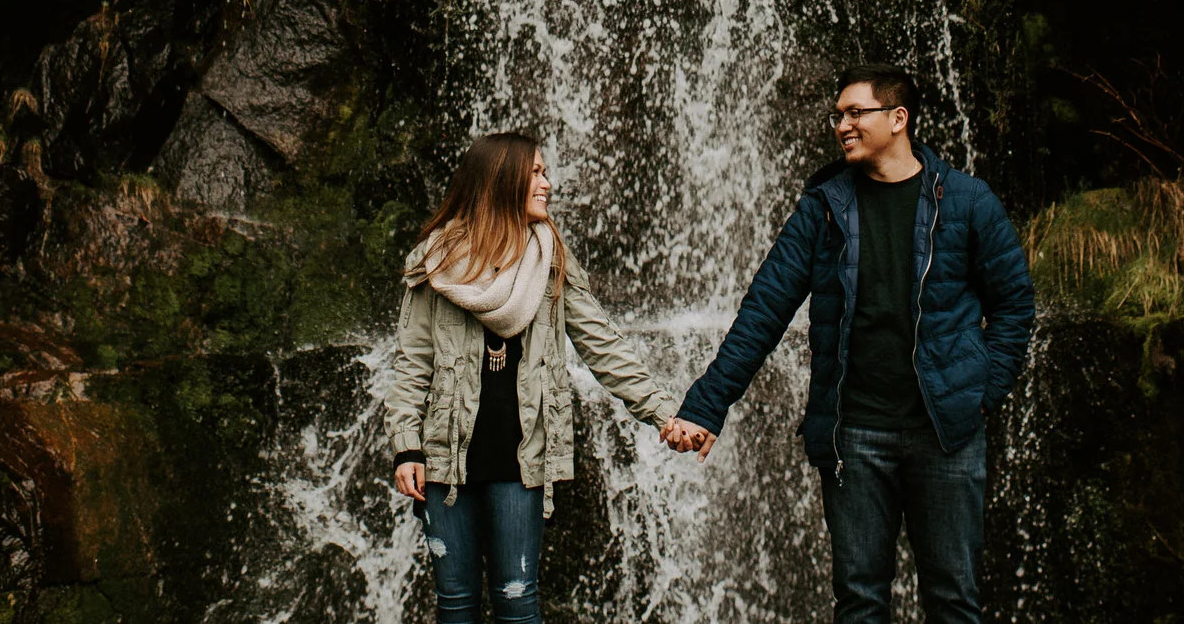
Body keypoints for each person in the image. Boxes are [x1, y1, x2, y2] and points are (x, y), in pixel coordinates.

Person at [663, 69, 1037, 624]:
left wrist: (982, 392)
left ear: (898, 119)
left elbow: (1014, 307)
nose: (842, 125)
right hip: (853, 434)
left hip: (947, 433)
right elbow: (764, 310)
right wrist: (706, 404)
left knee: (955, 601)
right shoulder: (823, 207)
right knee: (860, 602)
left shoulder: (966, 201)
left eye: (855, 113)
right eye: (838, 115)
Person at [386, 131, 702, 623]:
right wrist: (407, 447)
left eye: (545, 171)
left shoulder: (549, 259)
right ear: (501, 179)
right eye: (535, 172)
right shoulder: (436, 261)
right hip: (445, 457)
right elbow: (412, 361)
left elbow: (602, 342)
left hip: (521, 458)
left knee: (517, 601)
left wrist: (663, 413)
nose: (547, 183)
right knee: (455, 604)